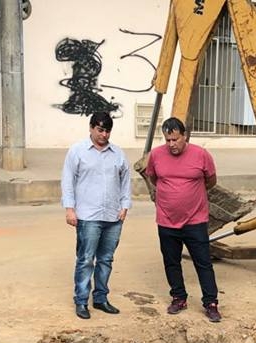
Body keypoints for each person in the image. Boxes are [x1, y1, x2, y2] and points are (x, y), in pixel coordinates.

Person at [143, 117, 222, 323]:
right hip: (166, 220)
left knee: (203, 263)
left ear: (184, 136)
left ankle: (211, 303)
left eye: (175, 139)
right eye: (168, 140)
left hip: (195, 220)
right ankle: (179, 298)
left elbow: (211, 181)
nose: (171, 144)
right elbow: (153, 178)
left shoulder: (201, 155)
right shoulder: (156, 155)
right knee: (171, 262)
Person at [61, 111, 131, 320]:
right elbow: (67, 180)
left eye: (107, 131)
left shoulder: (118, 154)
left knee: (106, 260)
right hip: (88, 216)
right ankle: (81, 301)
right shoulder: (77, 151)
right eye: (100, 130)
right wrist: (69, 209)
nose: (104, 135)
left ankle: (100, 298)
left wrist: (124, 206)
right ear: (91, 128)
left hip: (113, 216)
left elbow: (125, 181)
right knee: (85, 259)